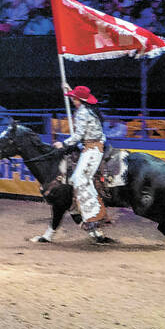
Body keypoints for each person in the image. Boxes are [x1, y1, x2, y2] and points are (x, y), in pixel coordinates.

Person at [58, 84, 108, 230]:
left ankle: (94, 216)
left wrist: (63, 143)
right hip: (92, 145)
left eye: (74, 98)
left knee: (80, 179)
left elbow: (78, 135)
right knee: (77, 179)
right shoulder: (90, 109)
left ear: (78, 99)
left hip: (92, 148)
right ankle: (93, 213)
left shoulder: (82, 112)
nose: (72, 100)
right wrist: (69, 90)